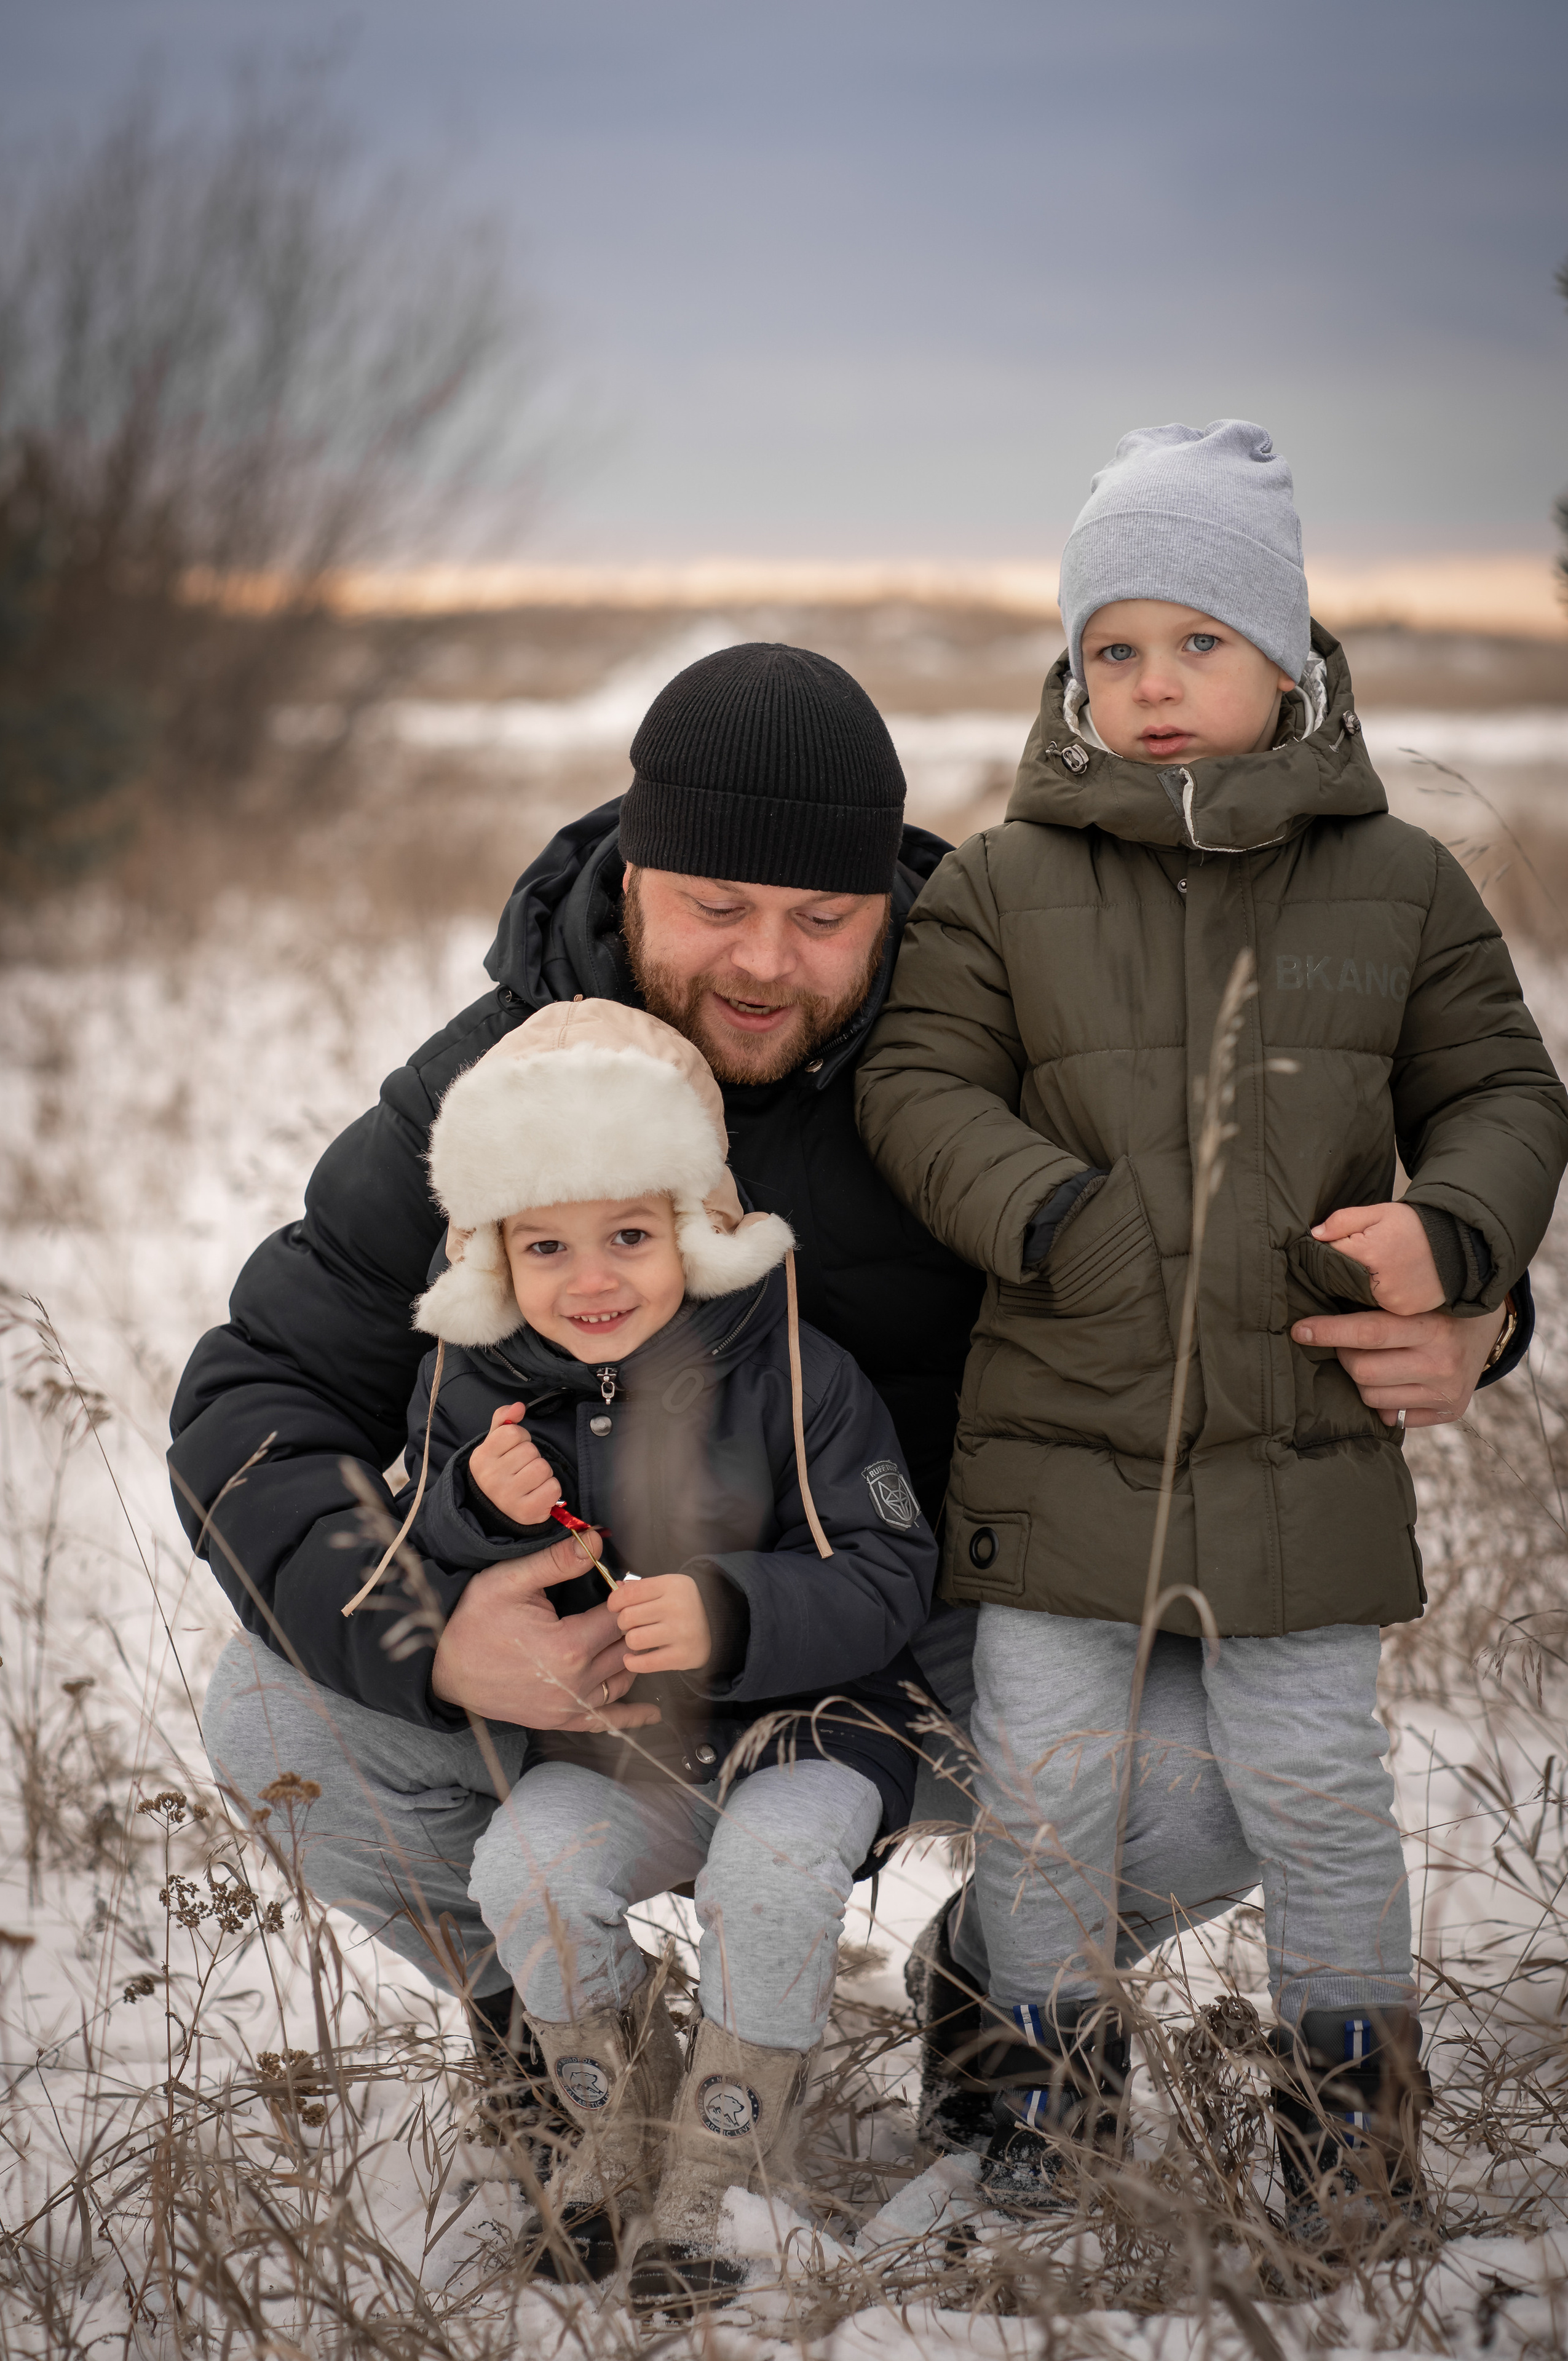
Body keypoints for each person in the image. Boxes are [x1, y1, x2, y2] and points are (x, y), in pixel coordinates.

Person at [171, 639, 1529, 2177]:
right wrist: (434, 1631)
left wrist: (1470, 1308)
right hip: (606, 1637)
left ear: (887, 903)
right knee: (275, 1711)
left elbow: (1232, 1232)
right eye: (716, 909)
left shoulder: (987, 1038)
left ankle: (995, 1985)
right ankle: (569, 2034)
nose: (764, 963)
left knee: (1236, 1752)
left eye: (821, 920)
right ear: (631, 876)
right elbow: (256, 1392)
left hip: (923, 1615)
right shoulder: (500, 1087)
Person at [855, 421, 1568, 2229]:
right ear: (1071, 667)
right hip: (1055, 1425)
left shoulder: (1398, 882)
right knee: (1046, 1797)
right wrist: (1053, 1216)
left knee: (1320, 1790)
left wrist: (1454, 1240)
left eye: (1199, 644)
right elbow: (920, 1083)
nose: (1153, 686)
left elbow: (1504, 1089)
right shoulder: (1007, 881)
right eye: (1114, 648)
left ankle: (1350, 2144)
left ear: (1289, 659)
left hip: (1301, 1440)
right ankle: (1044, 2116)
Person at [379, 993, 936, 2298]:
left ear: (695, 1224)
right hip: (619, 1742)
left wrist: (736, 1611)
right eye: (546, 1246)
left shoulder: (799, 1371)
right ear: (492, 1256)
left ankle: (721, 2169)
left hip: (810, 1725)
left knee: (776, 1868)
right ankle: (615, 2137)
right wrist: (471, 1504)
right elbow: (405, 1544)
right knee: (525, 1865)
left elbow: (891, 1569)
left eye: (630, 1233)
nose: (592, 1280)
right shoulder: (479, 1389)